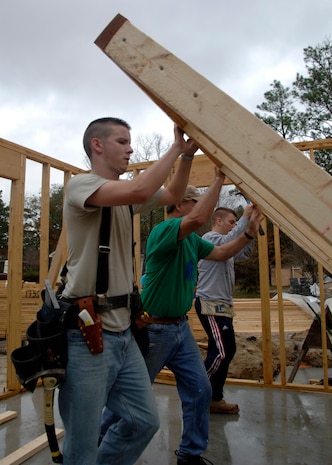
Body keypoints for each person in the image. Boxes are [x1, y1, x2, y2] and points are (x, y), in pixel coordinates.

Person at [58, 116, 198, 465]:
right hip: (88, 331)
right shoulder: (80, 187)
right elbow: (138, 189)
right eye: (122, 141)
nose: (131, 148)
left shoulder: (126, 200)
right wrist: (175, 147)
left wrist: (187, 158)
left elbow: (173, 195)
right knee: (82, 441)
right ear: (98, 145)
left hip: (123, 329)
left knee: (143, 421)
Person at [140, 173, 262, 465]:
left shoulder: (193, 241)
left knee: (199, 389)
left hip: (179, 328)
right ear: (182, 205)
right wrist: (219, 178)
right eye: (196, 202)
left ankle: (190, 454)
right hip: (155, 329)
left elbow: (221, 253)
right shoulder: (164, 231)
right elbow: (198, 219)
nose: (201, 210)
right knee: (133, 393)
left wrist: (247, 233)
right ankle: (100, 444)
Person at [195, 205, 256, 415]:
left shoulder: (227, 248)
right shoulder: (209, 239)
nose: (234, 225)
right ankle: (198, 391)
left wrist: (252, 226)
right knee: (221, 351)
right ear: (219, 221)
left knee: (226, 351)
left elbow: (244, 250)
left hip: (222, 306)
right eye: (232, 221)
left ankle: (215, 398)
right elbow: (228, 242)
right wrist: (246, 216)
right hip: (210, 303)